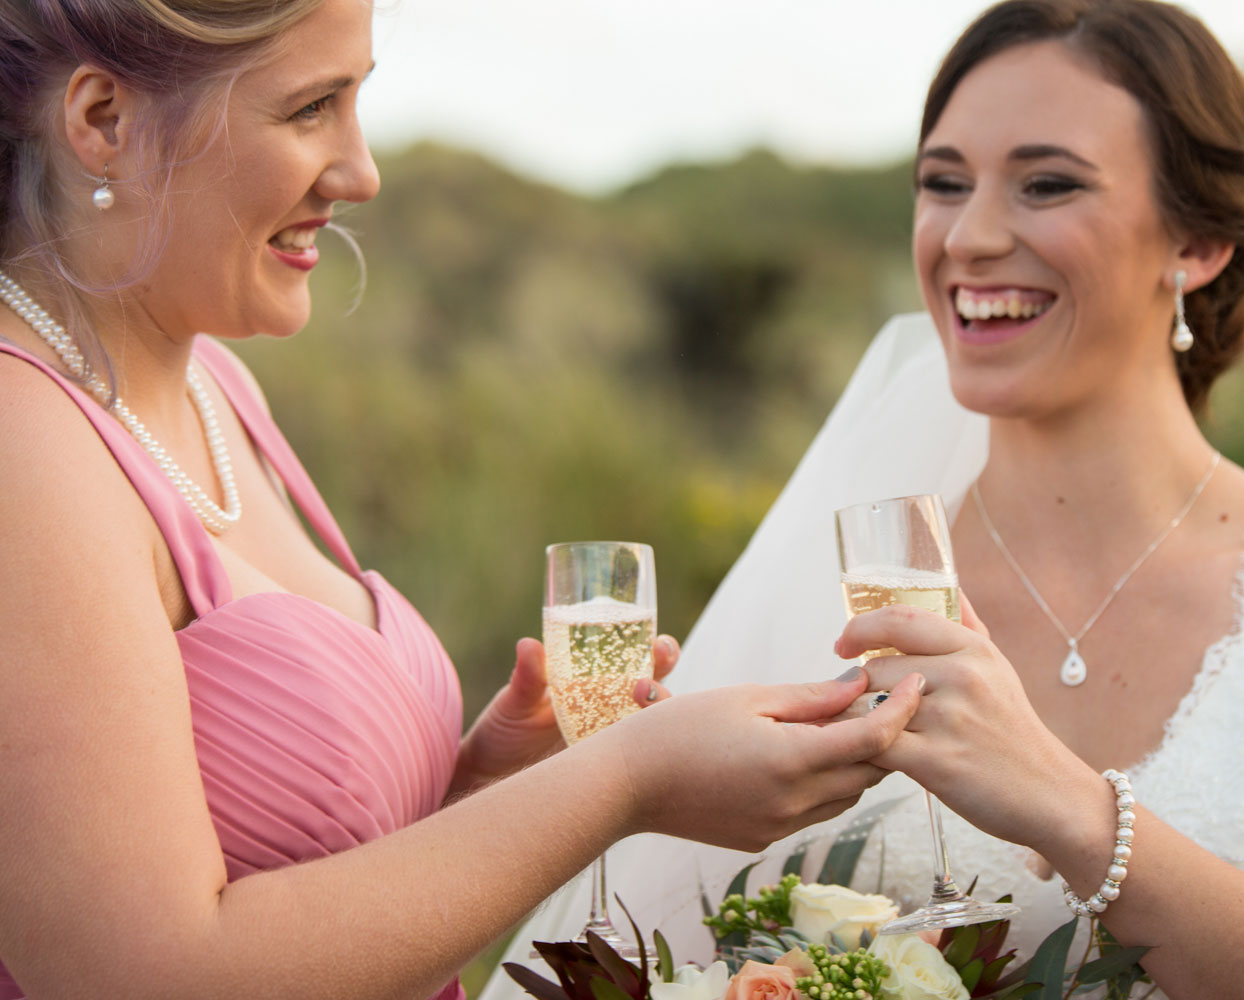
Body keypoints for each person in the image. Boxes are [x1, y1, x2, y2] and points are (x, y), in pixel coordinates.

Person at [490, 1, 1244, 997]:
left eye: (1046, 183)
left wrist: (1072, 811)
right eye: (942, 183)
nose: (970, 235)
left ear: (1200, 242)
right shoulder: (838, 587)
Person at [0, 2, 930, 998]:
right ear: (104, 119)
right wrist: (625, 780)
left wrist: (483, 787)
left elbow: (302, 890)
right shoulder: (23, 440)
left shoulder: (217, 388)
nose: (361, 172)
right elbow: (151, 973)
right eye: (311, 107)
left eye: (357, 102)